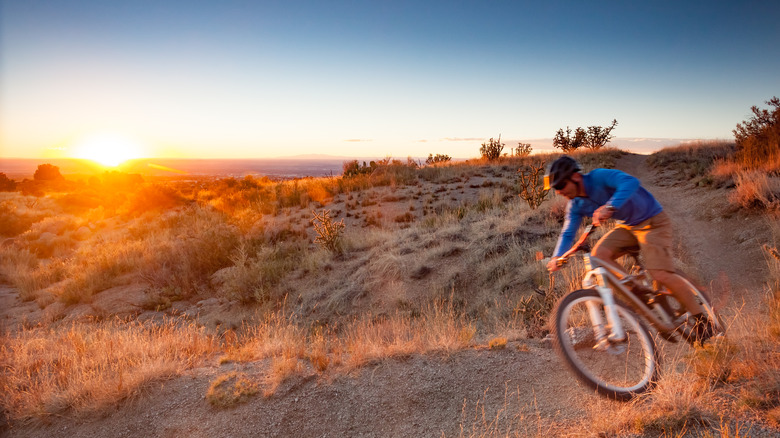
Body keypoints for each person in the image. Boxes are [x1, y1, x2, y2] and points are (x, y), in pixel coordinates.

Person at [544, 155, 714, 343]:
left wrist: (610, 206)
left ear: (575, 177)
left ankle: (702, 320)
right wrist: (557, 256)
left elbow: (630, 182)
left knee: (659, 274)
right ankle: (638, 292)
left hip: (653, 222)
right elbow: (568, 232)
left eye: (560, 186)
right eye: (555, 189)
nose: (559, 192)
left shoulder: (599, 177)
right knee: (598, 256)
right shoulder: (575, 205)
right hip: (628, 227)